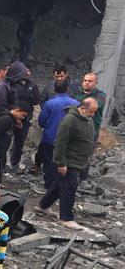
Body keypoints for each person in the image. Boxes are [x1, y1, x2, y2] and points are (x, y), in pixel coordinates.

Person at [35, 98, 98, 230]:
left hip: (79, 160)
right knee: (69, 188)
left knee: (59, 185)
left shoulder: (88, 120)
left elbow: (88, 140)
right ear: (83, 108)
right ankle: (66, 218)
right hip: (68, 161)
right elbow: (60, 143)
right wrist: (61, 163)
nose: (93, 115)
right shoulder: (69, 120)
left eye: (94, 112)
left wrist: (87, 156)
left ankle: (42, 206)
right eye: (91, 112)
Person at [36, 79, 79, 190]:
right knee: (64, 163)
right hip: (69, 140)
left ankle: (49, 186)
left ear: (54, 89)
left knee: (49, 163)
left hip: (50, 138)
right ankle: (61, 186)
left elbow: (42, 121)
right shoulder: (76, 104)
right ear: (67, 89)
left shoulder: (49, 103)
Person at [0, 104, 28, 182]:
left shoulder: (12, 120)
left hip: (2, 150)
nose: (23, 118)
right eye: (23, 115)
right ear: (17, 110)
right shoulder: (6, 119)